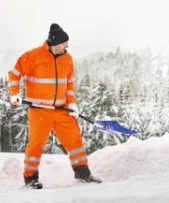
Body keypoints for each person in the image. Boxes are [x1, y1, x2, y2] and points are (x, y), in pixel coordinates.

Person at [8, 23, 101, 189]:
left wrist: (72, 103)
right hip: (39, 110)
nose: (66, 47)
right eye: (63, 44)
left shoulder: (67, 59)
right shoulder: (33, 56)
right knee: (36, 144)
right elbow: (14, 74)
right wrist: (14, 93)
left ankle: (82, 173)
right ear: (53, 44)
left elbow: (70, 83)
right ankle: (30, 178)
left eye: (67, 44)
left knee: (75, 141)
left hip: (61, 109)